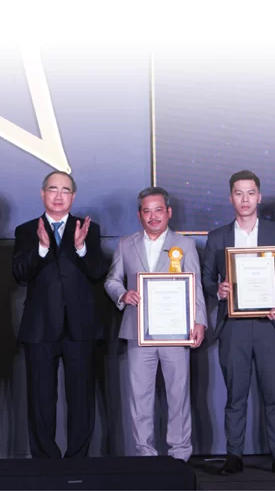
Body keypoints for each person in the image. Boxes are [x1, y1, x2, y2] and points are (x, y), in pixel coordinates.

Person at [201, 170, 275, 475]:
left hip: (270, 324)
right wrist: (217, 290)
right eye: (239, 193)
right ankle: (234, 455)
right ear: (231, 197)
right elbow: (207, 278)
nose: (245, 199)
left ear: (259, 196)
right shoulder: (218, 237)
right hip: (234, 326)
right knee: (236, 395)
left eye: (251, 193)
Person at [104, 187, 204, 461]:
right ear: (139, 215)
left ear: (169, 212)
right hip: (138, 332)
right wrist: (122, 294)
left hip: (176, 331)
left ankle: (180, 454)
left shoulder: (185, 245)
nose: (153, 216)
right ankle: (144, 454)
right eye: (147, 211)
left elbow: (195, 286)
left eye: (158, 210)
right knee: (140, 397)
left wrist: (200, 322)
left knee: (178, 395)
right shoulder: (125, 244)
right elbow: (112, 280)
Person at [13, 170, 105, 459]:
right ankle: (45, 462)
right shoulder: (26, 231)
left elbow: (97, 272)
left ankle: (77, 460)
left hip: (81, 328)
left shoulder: (89, 229)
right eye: (53, 189)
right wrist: (41, 248)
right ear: (43, 194)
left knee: (81, 398)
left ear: (73, 197)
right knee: (40, 399)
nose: (58, 195)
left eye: (65, 190)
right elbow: (19, 274)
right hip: (40, 327)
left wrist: (80, 247)